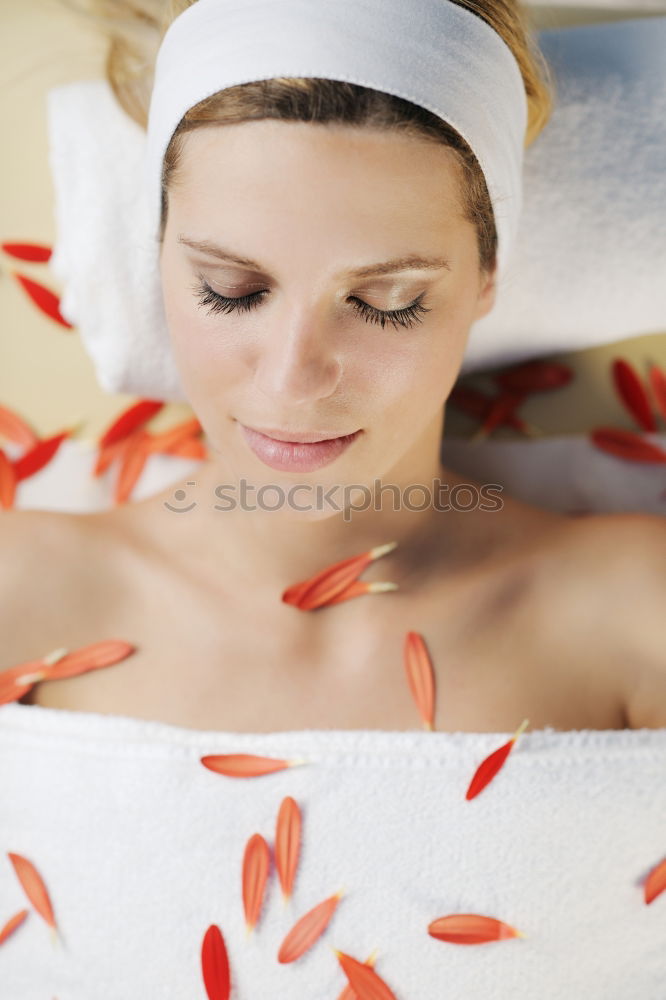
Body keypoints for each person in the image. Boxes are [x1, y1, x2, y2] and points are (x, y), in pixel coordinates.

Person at [1, 1, 665, 997]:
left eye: (387, 300)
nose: (293, 381)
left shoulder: (632, 612)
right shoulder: (22, 589)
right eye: (231, 288)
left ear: (488, 276)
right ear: (158, 256)